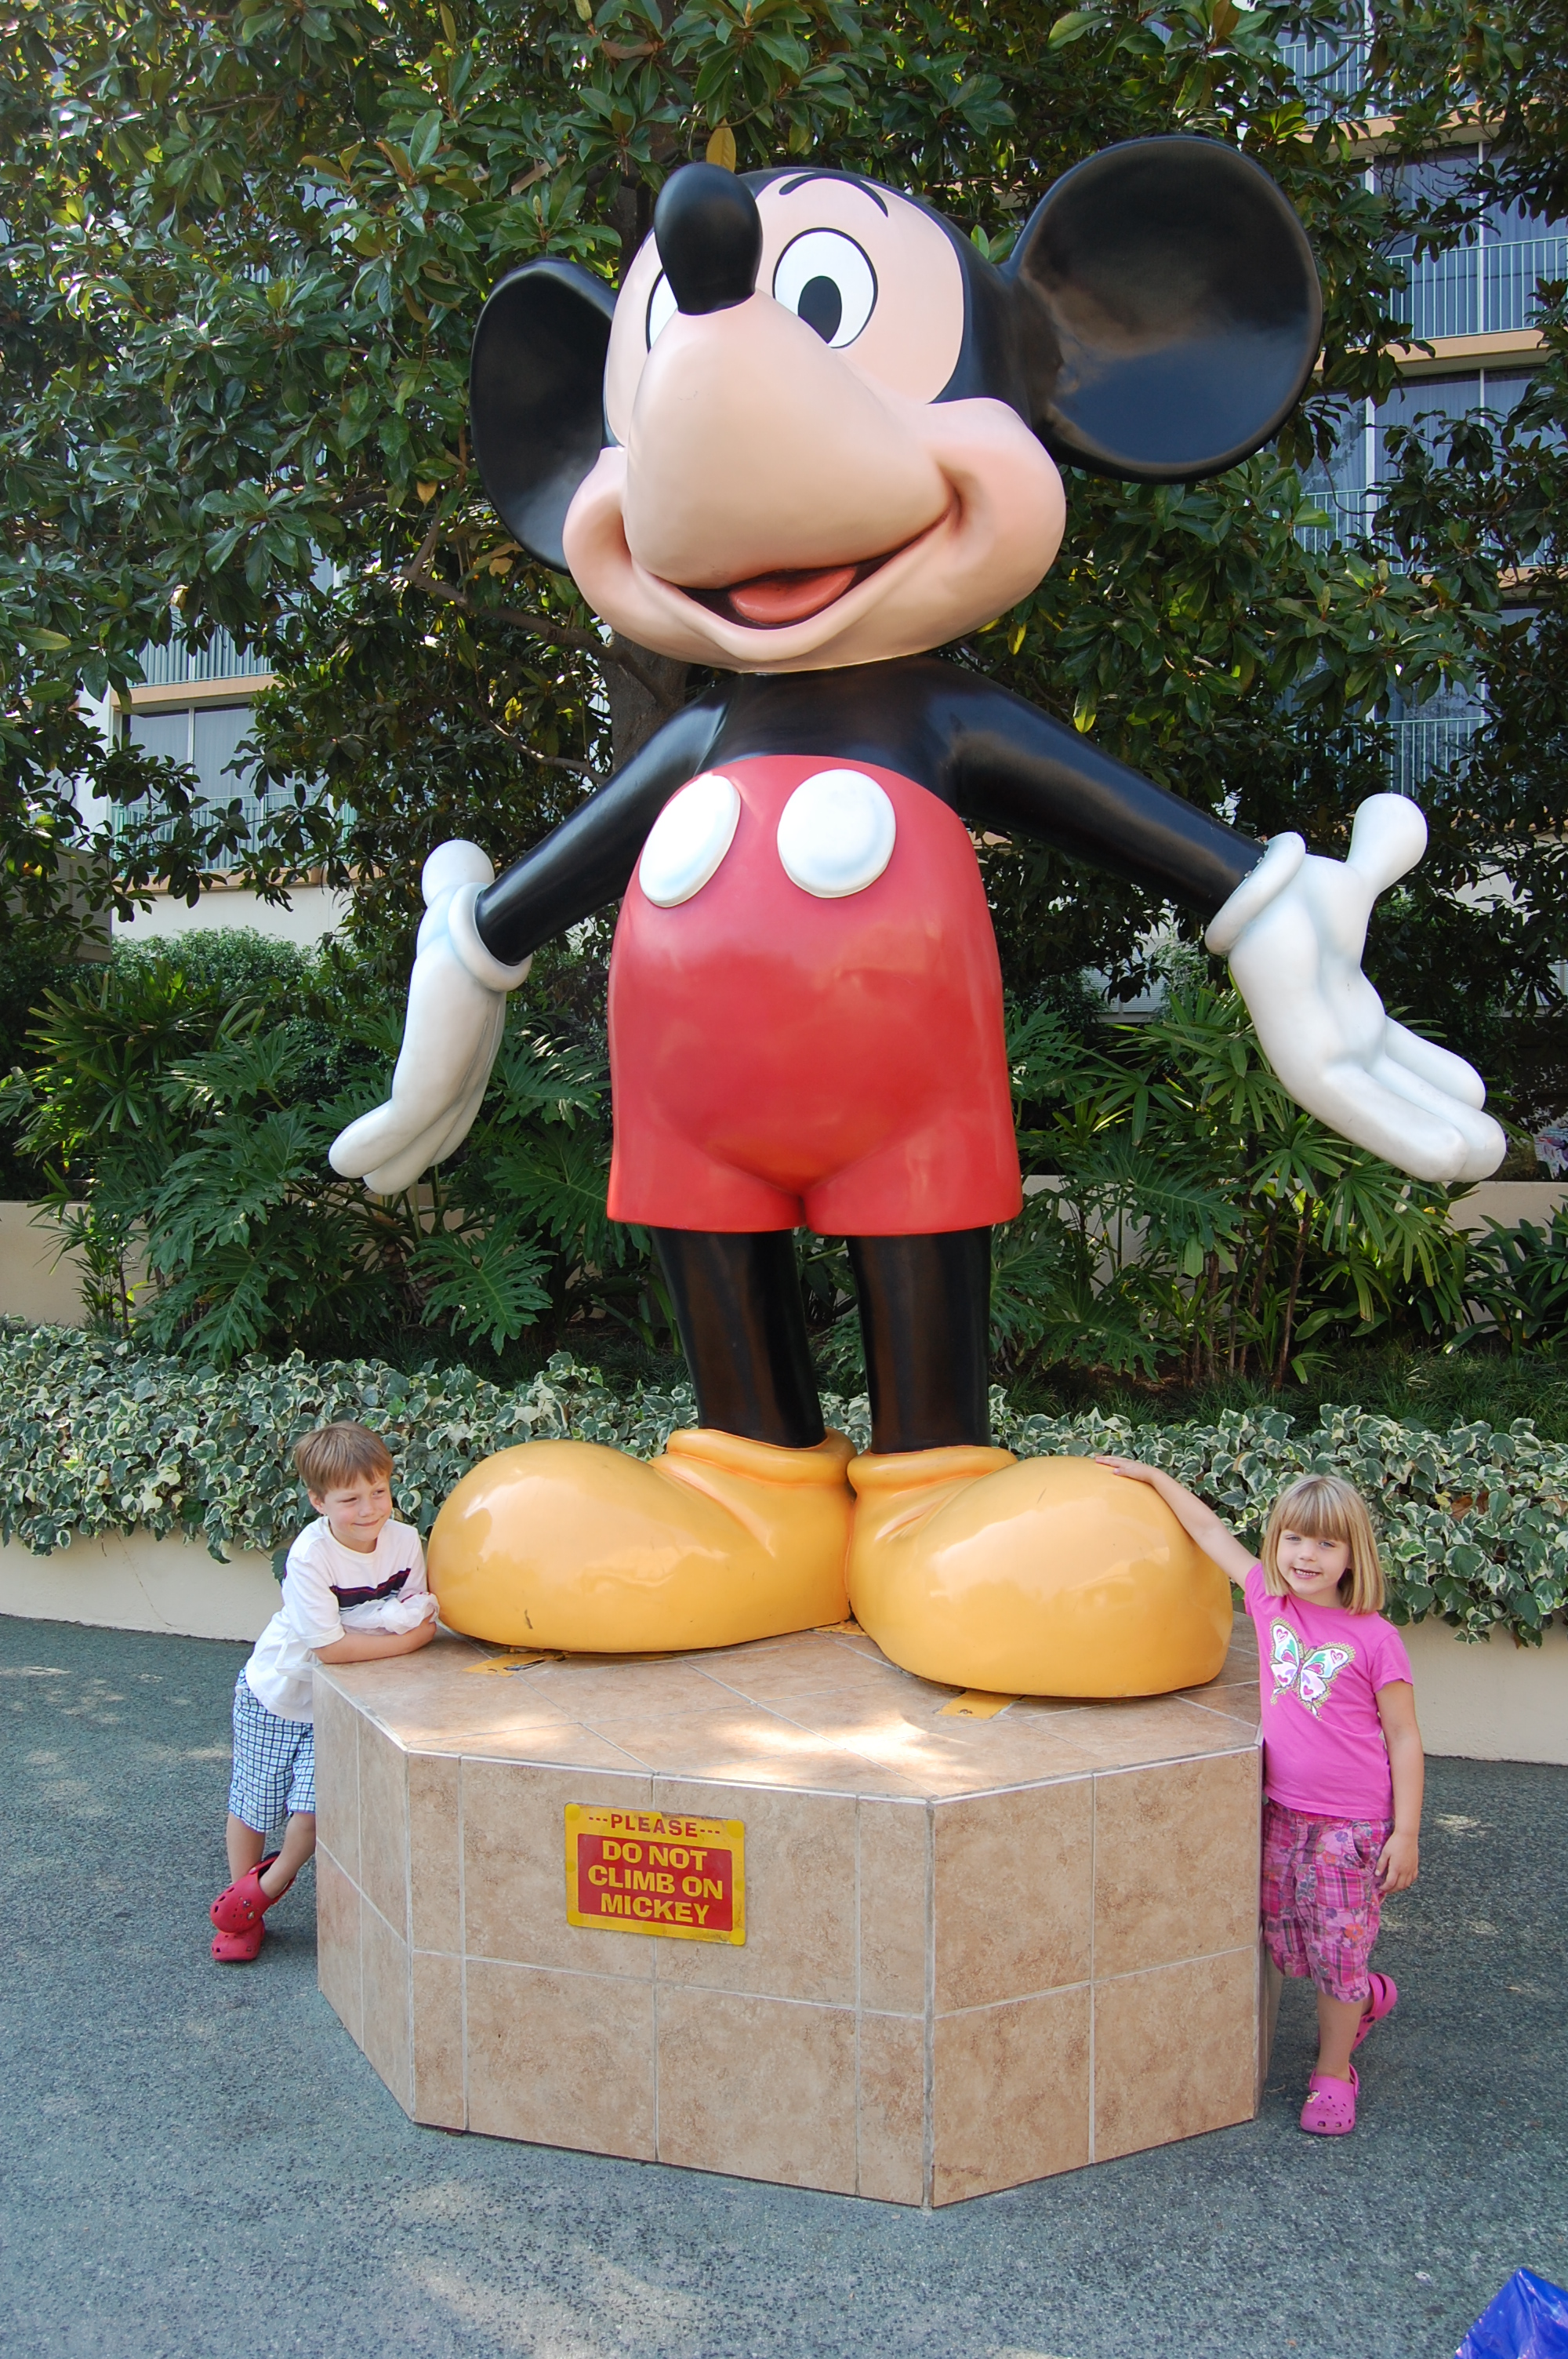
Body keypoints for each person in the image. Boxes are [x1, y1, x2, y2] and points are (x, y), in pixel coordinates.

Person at [1095, 1456, 1424, 2137]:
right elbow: (1208, 1531)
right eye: (1294, 1538)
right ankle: (1365, 1998)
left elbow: (1404, 1736)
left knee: (1336, 1955)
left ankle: (1334, 2072)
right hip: (1282, 1813)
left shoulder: (1376, 1639)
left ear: (1352, 1555)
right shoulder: (1267, 1602)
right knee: (1291, 1945)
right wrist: (1153, 1477)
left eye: (1326, 1543)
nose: (1306, 1555)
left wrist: (1407, 1832)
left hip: (1353, 1827)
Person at [209, 1421, 438, 1963]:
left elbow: (418, 1613)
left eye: (378, 1491)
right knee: (255, 1804)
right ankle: (242, 1897)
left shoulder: (405, 1542)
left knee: (314, 1810)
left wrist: (405, 1632)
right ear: (319, 1502)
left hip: (334, 1704)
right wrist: (404, 1639)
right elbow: (333, 1648)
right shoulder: (311, 1556)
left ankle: (256, 1896)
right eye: (350, 1499)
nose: (369, 1509)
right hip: (277, 1695)